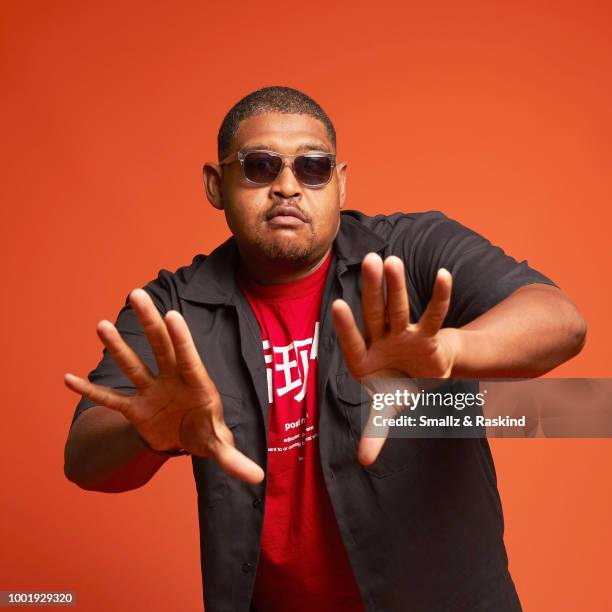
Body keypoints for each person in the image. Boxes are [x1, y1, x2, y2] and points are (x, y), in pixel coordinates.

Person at [63, 86, 586, 612]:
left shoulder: (411, 252)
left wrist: (452, 349)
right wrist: (151, 434)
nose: (287, 186)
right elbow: (85, 460)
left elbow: (559, 319)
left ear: (339, 184)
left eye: (312, 168)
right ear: (215, 185)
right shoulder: (172, 310)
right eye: (259, 166)